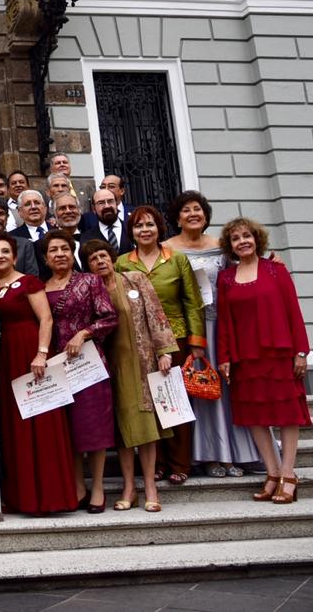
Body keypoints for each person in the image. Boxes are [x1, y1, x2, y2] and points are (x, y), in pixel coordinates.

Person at [164, 191, 260, 477]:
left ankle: (232, 452)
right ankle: (204, 454)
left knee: (225, 388)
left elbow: (244, 270)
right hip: (189, 328)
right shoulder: (166, 248)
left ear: (205, 215)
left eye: (198, 209)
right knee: (197, 389)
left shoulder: (223, 246)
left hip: (221, 325)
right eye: (186, 210)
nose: (193, 214)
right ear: (177, 217)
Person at [217, 218, 311, 505]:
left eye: (247, 236)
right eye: (236, 238)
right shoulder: (226, 278)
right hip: (245, 357)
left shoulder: (276, 270)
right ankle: (271, 473)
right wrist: (225, 357)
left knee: (286, 415)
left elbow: (293, 310)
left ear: (256, 239)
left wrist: (301, 351)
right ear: (230, 246)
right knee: (255, 418)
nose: (242, 241)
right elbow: (224, 321)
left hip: (279, 354)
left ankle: (288, 473)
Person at [82, 239, 177, 512]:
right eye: (93, 259)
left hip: (141, 362)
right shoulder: (90, 290)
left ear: (112, 258)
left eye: (103, 255)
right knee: (122, 429)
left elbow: (156, 315)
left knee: (145, 427)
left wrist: (165, 351)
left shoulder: (134, 280)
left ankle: (149, 487)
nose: (100, 261)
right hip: (106, 367)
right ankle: (128, 488)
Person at [0, 232, 76, 515]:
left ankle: (50, 496)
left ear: (14, 256)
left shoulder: (29, 282)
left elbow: (46, 318)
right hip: (4, 359)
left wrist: (41, 352)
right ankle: (21, 496)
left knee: (41, 421)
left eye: (5, 251)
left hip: (29, 354)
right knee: (13, 427)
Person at [115, 206, 205, 485]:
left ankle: (180, 463)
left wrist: (196, 342)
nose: (145, 230)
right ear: (131, 232)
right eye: (139, 226)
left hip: (175, 340)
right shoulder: (122, 263)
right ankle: (159, 463)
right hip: (138, 343)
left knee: (173, 402)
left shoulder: (177, 261)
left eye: (150, 225)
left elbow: (192, 302)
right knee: (149, 405)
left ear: (159, 229)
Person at [42, 229, 117, 513]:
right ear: (46, 258)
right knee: (67, 430)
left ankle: (97, 487)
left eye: (64, 248)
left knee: (93, 428)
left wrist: (84, 332)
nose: (59, 254)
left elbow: (110, 317)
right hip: (56, 367)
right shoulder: (41, 287)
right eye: (53, 250)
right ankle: (78, 486)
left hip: (88, 364)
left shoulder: (90, 281)